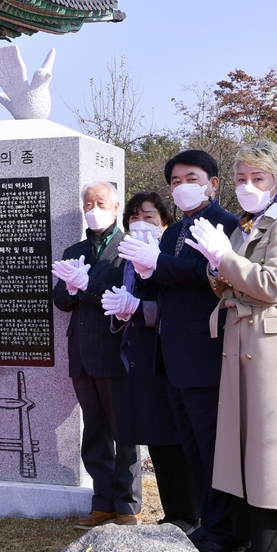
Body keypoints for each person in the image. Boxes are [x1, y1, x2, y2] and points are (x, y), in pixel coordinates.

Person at [186, 140, 277, 552]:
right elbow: (229, 288)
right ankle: (254, 543)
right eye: (241, 178)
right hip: (241, 339)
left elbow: (273, 285)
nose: (247, 186)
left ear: (276, 181)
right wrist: (215, 265)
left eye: (256, 178)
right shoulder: (245, 227)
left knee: (273, 446)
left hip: (272, 342)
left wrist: (224, 259)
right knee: (245, 443)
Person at [118, 150, 241, 552]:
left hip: (206, 351)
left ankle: (222, 529)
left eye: (190, 177)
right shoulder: (174, 232)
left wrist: (160, 265)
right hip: (171, 354)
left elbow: (211, 275)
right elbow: (165, 283)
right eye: (174, 181)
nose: (181, 186)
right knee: (190, 446)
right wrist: (143, 277)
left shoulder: (227, 225)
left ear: (213, 183)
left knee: (211, 447)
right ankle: (205, 522)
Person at [102, 192, 199, 533]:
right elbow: (119, 308)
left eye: (148, 216)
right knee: (155, 437)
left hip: (167, 355)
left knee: (175, 437)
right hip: (137, 357)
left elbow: (175, 307)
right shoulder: (127, 261)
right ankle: (173, 513)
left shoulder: (169, 257)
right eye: (133, 217)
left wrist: (139, 309)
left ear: (164, 223)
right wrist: (119, 309)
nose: (139, 223)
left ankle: (189, 514)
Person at [52, 181, 142, 529]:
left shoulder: (128, 248)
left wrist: (85, 286)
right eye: (87, 203)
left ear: (116, 206)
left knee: (124, 430)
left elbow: (120, 292)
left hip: (115, 350)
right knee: (95, 431)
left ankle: (127, 505)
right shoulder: (75, 249)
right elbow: (61, 301)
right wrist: (72, 288)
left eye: (100, 202)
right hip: (82, 352)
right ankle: (101, 502)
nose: (93, 208)